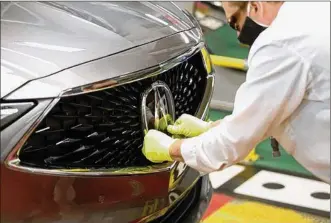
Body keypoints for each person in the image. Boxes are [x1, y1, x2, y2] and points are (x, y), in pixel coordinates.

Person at [142, 1, 330, 183]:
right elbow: (267, 113)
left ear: (255, 6)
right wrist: (214, 129)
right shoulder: (312, 10)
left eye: (234, 23)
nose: (239, 33)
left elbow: (231, 145)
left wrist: (172, 148)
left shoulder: (279, 44)